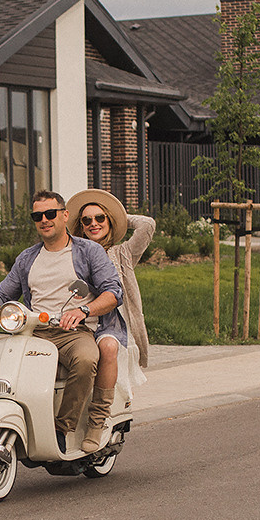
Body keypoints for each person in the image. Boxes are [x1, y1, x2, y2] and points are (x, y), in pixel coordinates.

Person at [0, 191, 122, 454]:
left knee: (86, 360)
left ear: (64, 216)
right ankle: (12, 415)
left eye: (50, 214)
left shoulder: (89, 251)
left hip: (71, 331)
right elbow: (4, 293)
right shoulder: (28, 257)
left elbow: (113, 292)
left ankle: (63, 428)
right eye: (37, 216)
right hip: (31, 331)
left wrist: (84, 310)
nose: (44, 220)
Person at [67, 188, 155, 454]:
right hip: (80, 321)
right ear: (80, 227)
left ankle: (98, 420)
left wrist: (119, 215)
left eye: (100, 218)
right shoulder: (74, 253)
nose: (93, 224)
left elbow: (147, 225)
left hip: (112, 322)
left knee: (107, 348)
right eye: (87, 220)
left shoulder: (122, 253)